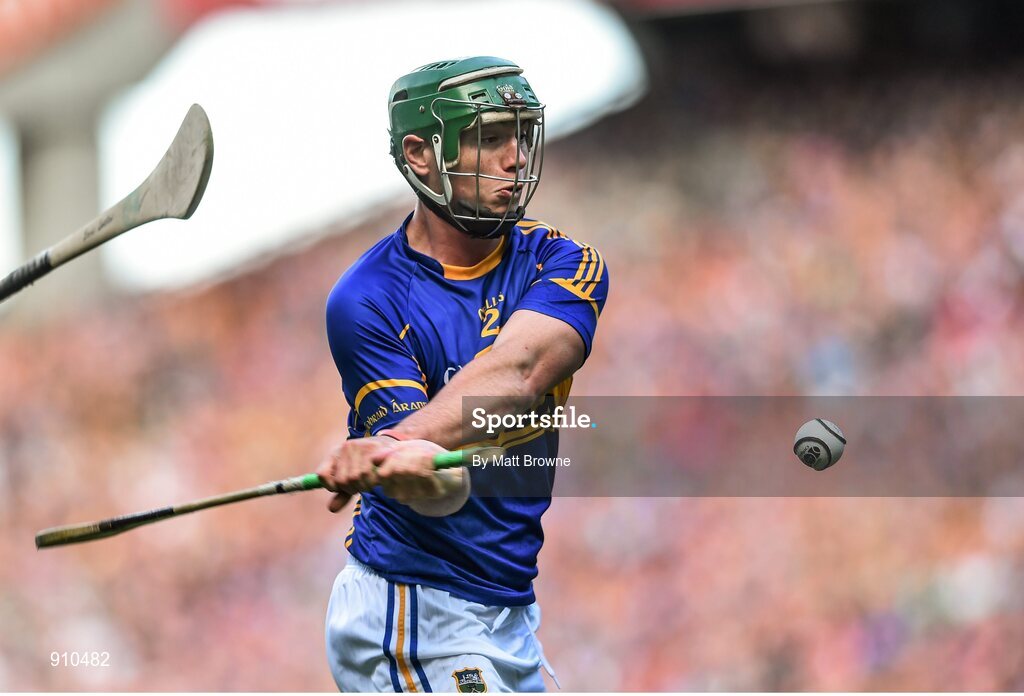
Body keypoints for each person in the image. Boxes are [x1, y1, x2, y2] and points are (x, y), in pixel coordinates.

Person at [318, 56, 609, 692]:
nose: (514, 158)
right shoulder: (367, 301)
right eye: (486, 138)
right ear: (421, 154)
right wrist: (405, 461)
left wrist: (397, 444)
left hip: (506, 611)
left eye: (518, 135)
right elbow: (435, 493)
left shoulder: (564, 263)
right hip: (414, 608)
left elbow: (523, 371)